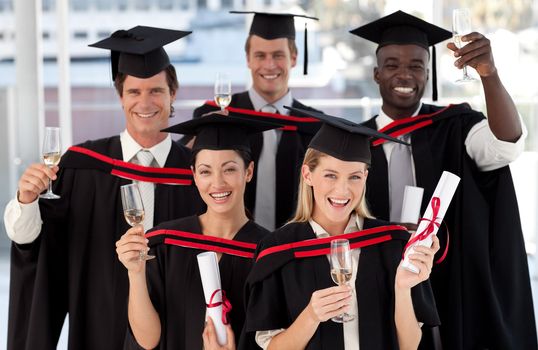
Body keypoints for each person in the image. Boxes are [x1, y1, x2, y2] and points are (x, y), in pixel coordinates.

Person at [3, 26, 203, 350]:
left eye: (156, 91)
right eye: (135, 92)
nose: (145, 102)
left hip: (180, 330)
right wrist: (26, 201)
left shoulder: (197, 173)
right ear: (120, 96)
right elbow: (36, 246)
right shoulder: (84, 166)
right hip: (99, 328)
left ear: (173, 94)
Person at [350, 10, 537, 349]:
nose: (404, 74)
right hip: (374, 279)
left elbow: (506, 145)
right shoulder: (352, 141)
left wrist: (489, 74)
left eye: (416, 66)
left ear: (428, 73)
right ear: (377, 74)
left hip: (446, 278)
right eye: (392, 65)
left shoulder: (456, 126)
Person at [245, 107, 440, 349]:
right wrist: (311, 316)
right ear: (307, 174)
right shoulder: (277, 250)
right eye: (330, 175)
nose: (342, 190)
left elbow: (409, 345)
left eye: (354, 177)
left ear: (366, 177)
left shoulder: (391, 243)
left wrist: (401, 288)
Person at [117, 113, 279, 349]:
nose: (217, 183)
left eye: (229, 169)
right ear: (193, 175)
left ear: (249, 171)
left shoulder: (270, 253)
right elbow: (147, 341)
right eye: (205, 171)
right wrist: (135, 272)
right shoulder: (164, 243)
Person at [183, 11, 322, 231]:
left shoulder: (315, 126)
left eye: (278, 55)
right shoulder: (216, 115)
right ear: (248, 59)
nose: (269, 65)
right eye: (260, 56)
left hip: (294, 247)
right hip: (230, 244)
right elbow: (183, 167)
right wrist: (203, 132)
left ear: (293, 58)